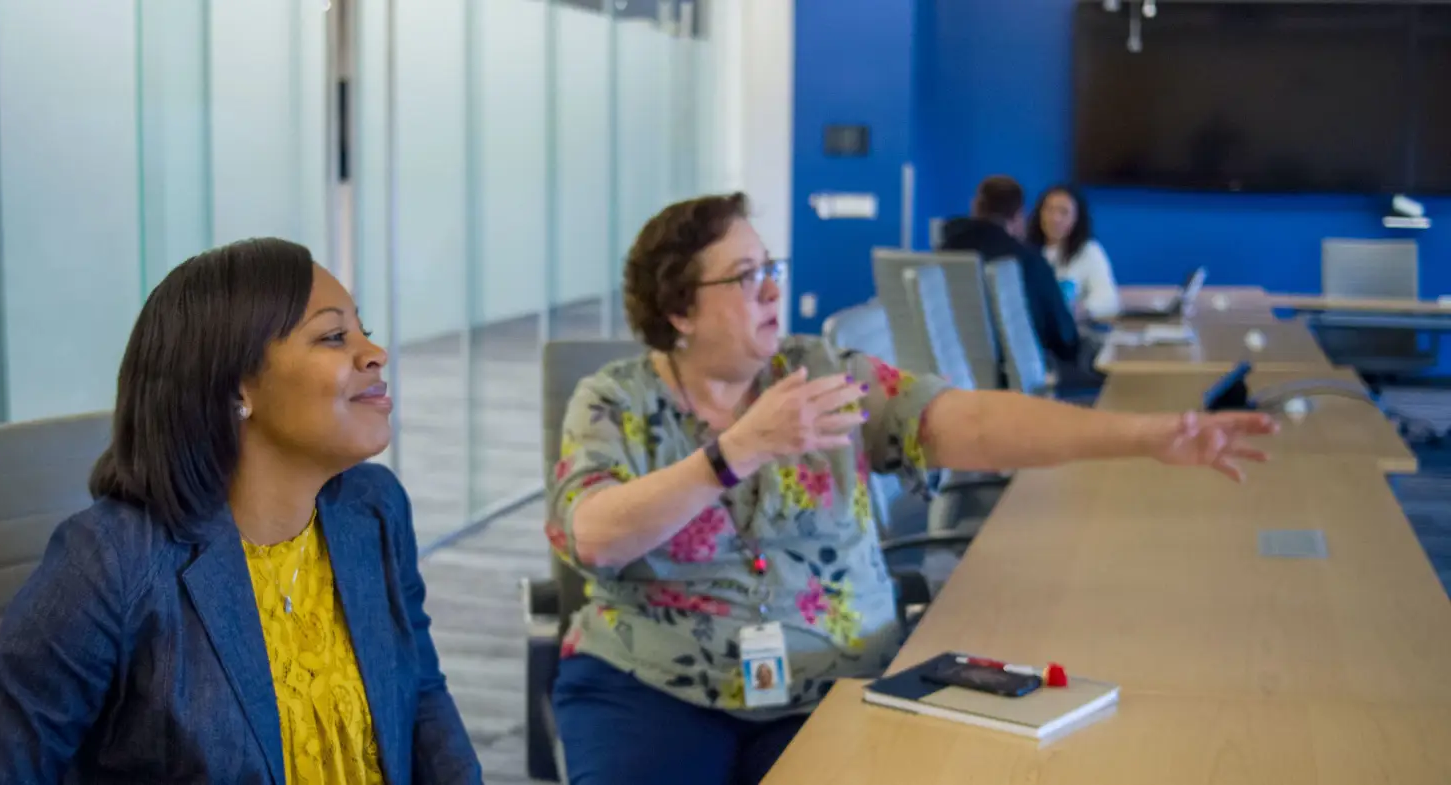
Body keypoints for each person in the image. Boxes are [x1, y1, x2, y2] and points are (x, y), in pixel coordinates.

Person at [545, 193, 1276, 785]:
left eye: (772, 267)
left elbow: (974, 422)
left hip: (829, 679)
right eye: (745, 276)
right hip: (651, 682)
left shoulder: (826, 374)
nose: (772, 287)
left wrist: (1143, 437)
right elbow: (595, 533)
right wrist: (738, 448)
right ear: (678, 308)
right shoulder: (614, 400)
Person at [0, 239, 481, 784]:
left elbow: (420, 697)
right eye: (334, 336)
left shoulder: (374, 509)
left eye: (365, 331)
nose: (375, 354)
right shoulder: (111, 562)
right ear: (238, 387)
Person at [939, 175, 1080, 365]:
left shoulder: (940, 256)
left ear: (975, 206)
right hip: (1014, 383)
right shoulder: (1028, 262)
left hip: (950, 380)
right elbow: (1066, 339)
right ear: (1019, 216)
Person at [1029, 184, 1120, 321]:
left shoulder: (1089, 251)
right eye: (1049, 210)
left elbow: (1109, 301)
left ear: (1077, 218)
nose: (1055, 218)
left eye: (1064, 212)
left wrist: (1080, 310)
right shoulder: (1026, 251)